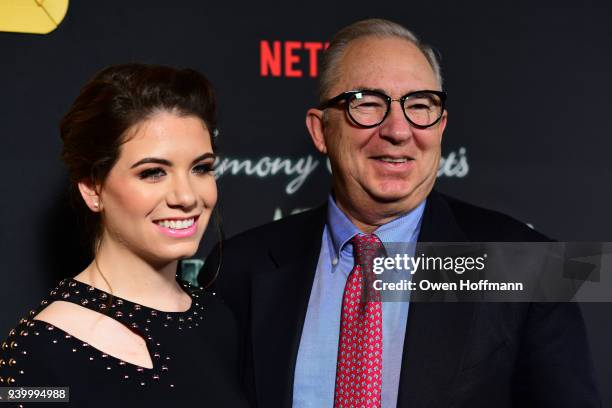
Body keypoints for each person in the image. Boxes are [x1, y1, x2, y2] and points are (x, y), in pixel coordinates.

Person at [201, 19, 601, 408]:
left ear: (441, 126)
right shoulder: (238, 270)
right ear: (321, 131)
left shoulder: (526, 265)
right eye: (368, 104)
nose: (398, 129)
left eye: (420, 105)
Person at [0, 64, 249, 407]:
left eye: (201, 168)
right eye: (152, 173)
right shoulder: (40, 347)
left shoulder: (215, 316)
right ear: (93, 187)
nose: (187, 196)